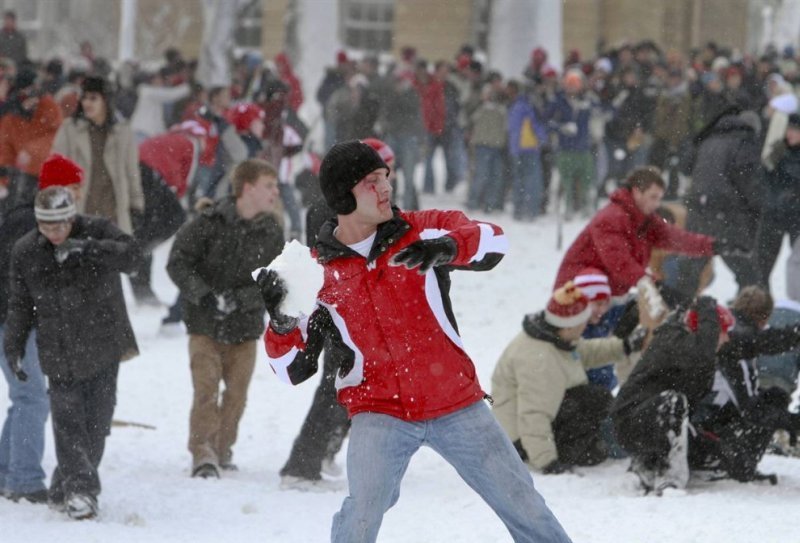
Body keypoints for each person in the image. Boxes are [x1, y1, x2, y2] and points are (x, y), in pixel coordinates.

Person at [260, 140, 572, 543]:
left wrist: (449, 247)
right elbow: (290, 370)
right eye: (372, 181)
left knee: (524, 504)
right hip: (379, 412)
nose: (386, 187)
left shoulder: (421, 229)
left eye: (386, 177)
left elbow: (495, 241)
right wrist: (282, 324)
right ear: (343, 195)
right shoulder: (317, 272)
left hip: (456, 403)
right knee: (361, 516)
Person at [3, 185, 139, 519]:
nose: (55, 234)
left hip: (104, 344)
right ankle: (82, 491)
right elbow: (19, 305)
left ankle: (64, 484)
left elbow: (133, 257)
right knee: (67, 422)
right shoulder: (26, 251)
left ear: (72, 217)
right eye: (46, 228)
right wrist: (14, 348)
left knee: (97, 423)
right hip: (59, 347)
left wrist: (89, 249)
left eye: (60, 226)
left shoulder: (96, 230)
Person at [167, 159, 284, 479]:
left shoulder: (272, 230)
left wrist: (243, 299)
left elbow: (276, 280)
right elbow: (177, 262)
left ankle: (222, 448)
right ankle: (203, 453)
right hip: (205, 325)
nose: (276, 192)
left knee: (236, 395)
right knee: (205, 390)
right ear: (247, 189)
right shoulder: (208, 223)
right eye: (269, 185)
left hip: (245, 328)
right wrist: (203, 294)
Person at [0, 155, 79, 504]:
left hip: (16, 319)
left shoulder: (23, 215)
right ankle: (25, 481)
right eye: (74, 187)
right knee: (31, 398)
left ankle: (7, 469)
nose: (78, 194)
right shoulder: (29, 224)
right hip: (12, 321)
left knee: (25, 400)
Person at [491, 282, 630, 474]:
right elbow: (533, 414)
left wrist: (624, 347)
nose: (587, 324)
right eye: (583, 322)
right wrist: (547, 461)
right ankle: (607, 445)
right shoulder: (540, 360)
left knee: (597, 399)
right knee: (594, 427)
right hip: (521, 439)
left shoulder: (554, 336)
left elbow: (584, 352)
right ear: (569, 327)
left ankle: (615, 439)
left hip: (543, 416)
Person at [554, 167, 725, 319]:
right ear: (636, 192)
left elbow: (676, 238)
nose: (657, 204)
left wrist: (713, 246)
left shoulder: (645, 218)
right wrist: (648, 283)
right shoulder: (611, 218)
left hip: (607, 298)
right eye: (653, 197)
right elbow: (619, 262)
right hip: (576, 296)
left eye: (659, 198)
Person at [611, 296, 728, 495]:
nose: (728, 339)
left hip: (649, 419)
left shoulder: (689, 349)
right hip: (630, 421)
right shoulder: (674, 341)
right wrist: (708, 311)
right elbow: (703, 352)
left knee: (709, 449)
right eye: (724, 332)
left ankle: (645, 469)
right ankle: (670, 480)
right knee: (674, 402)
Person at [689, 286, 800, 484]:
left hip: (690, 426)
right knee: (774, 399)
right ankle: (739, 466)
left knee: (768, 398)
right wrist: (790, 421)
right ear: (765, 318)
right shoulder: (739, 348)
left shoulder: (719, 330)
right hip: (705, 436)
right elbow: (751, 410)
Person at [676, 108, 763, 297]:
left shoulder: (710, 138)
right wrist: (757, 210)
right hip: (727, 212)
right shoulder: (744, 142)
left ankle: (679, 310)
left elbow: (686, 166)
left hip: (698, 208)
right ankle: (748, 312)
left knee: (692, 265)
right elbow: (747, 183)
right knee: (746, 270)